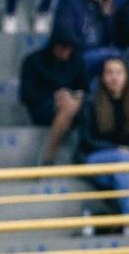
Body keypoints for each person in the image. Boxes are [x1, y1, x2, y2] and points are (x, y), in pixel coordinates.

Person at [78, 57, 129, 233]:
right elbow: (87, 140)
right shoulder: (90, 102)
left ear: (127, 76)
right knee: (125, 162)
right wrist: (116, 149)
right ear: (102, 77)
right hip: (95, 157)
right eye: (109, 72)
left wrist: (128, 148)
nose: (114, 77)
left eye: (119, 72)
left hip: (126, 158)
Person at [19, 29, 86, 165]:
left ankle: (51, 156)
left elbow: (84, 88)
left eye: (69, 49)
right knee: (67, 106)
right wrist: (55, 96)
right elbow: (26, 94)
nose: (65, 52)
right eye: (62, 48)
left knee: (73, 105)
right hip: (42, 106)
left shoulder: (77, 60)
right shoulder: (33, 60)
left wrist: (75, 97)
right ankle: (48, 156)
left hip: (75, 105)